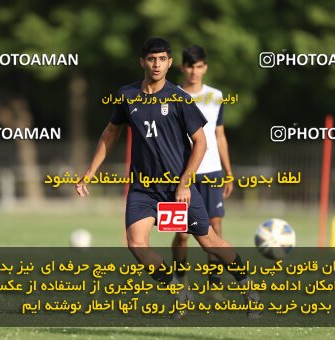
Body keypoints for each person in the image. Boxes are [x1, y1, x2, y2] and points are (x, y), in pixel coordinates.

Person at [76, 37, 259, 319]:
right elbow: (110, 134)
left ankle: (247, 286)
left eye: (162, 59)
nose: (157, 64)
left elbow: (202, 142)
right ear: (142, 62)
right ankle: (179, 290)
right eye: (151, 59)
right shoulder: (126, 95)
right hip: (143, 189)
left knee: (209, 242)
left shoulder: (180, 99)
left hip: (177, 189)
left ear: (170, 63)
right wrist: (90, 172)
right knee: (136, 242)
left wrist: (185, 182)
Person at [171, 45, 234, 299]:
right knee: (183, 233)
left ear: (205, 67)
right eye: (190, 66)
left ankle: (214, 285)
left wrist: (228, 171)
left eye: (199, 66)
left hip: (212, 172)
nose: (194, 71)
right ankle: (180, 279)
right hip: (184, 174)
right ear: (182, 67)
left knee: (215, 228)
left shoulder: (215, 96)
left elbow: (220, 136)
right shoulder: (172, 95)